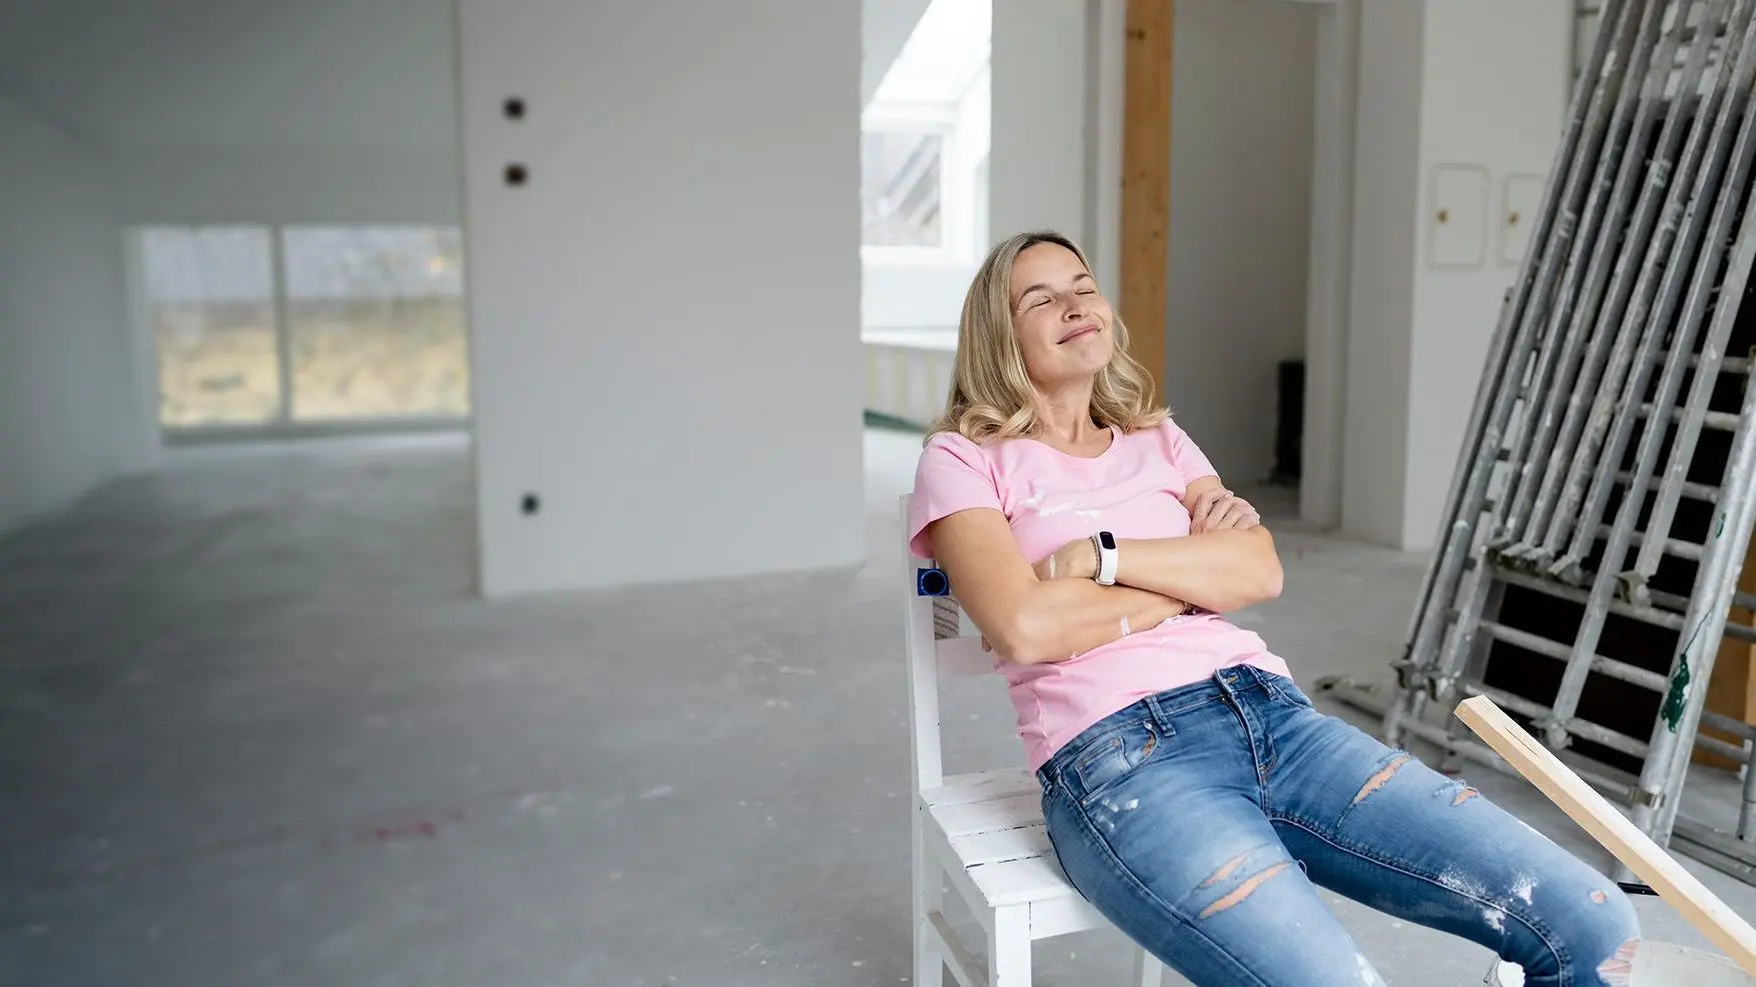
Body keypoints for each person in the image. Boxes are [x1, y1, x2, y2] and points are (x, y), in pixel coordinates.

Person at [906, 230, 1641, 987]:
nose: (1075, 305)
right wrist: (1192, 580)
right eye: (1041, 297)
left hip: (1275, 716)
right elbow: (1025, 627)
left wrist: (1100, 559)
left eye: (1083, 285)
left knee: (1593, 924)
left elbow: (1257, 569)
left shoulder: (1159, 439)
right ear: (999, 335)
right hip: (1120, 761)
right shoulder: (963, 458)